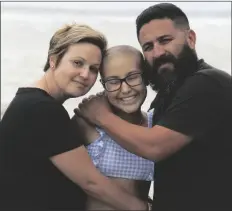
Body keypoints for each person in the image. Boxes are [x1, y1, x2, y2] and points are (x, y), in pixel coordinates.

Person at [75, 3, 232, 211]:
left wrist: (100, 114)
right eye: (148, 47)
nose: (157, 53)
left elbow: (154, 147)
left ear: (190, 39)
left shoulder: (208, 83)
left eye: (165, 40)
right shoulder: (167, 97)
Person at [0, 23, 148, 210]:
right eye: (77, 63)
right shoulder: (41, 109)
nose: (85, 74)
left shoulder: (32, 102)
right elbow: (91, 183)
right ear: (53, 60)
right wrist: (143, 208)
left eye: (94, 68)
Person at [72, 45, 154, 210]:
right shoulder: (87, 123)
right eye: (113, 81)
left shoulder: (156, 124)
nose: (125, 89)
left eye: (132, 77)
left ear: (146, 77)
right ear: (103, 84)